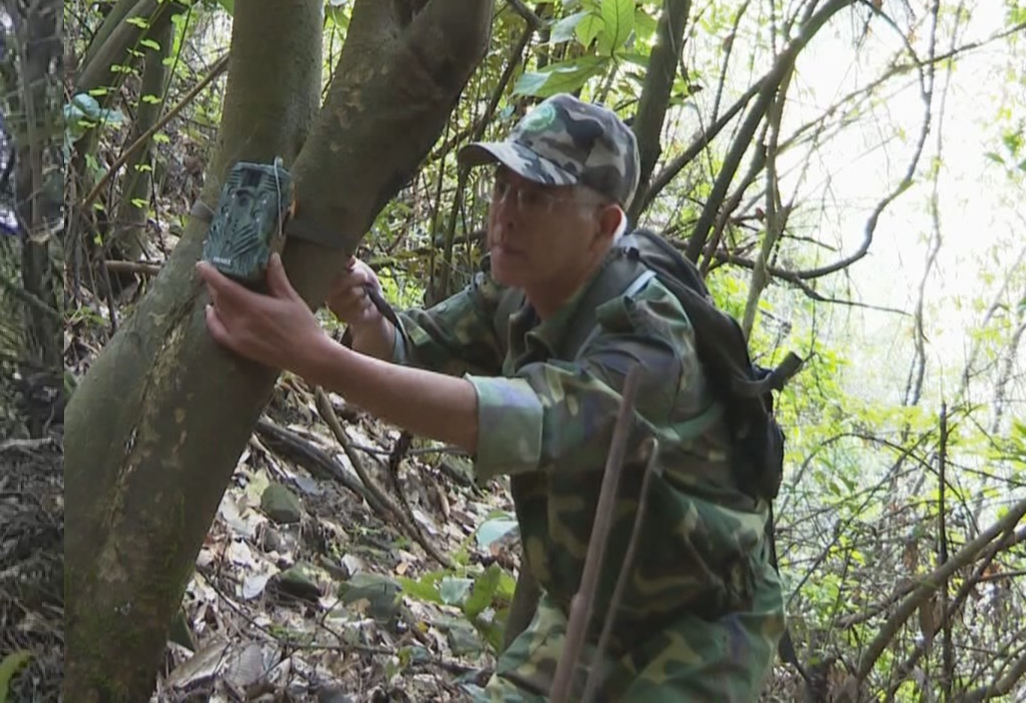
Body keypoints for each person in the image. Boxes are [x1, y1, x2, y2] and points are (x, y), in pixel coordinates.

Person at [196, 93, 785, 700]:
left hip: (704, 624)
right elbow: (405, 350)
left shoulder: (651, 341)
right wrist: (363, 311)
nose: (505, 214)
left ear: (605, 226)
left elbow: (509, 418)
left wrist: (313, 354)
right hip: (585, 604)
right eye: (503, 188)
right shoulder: (519, 286)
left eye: (536, 198)